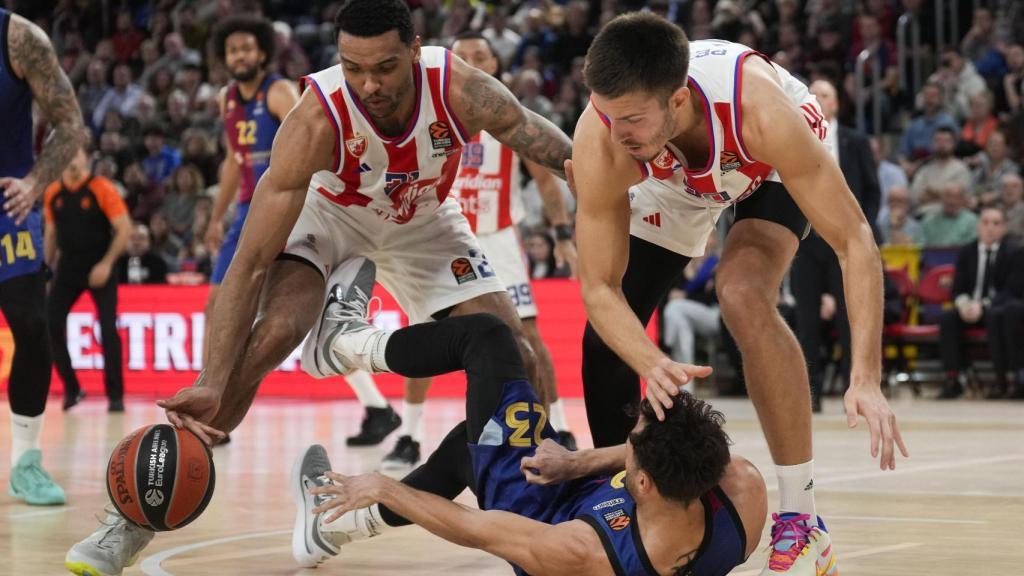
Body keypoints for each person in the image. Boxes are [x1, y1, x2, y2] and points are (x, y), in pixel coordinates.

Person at [66, 2, 572, 573]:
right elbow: (249, 263)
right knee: (273, 335)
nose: (369, 84)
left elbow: (539, 139)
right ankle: (132, 521)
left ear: (415, 50)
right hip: (331, 215)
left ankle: (348, 520)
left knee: (521, 360)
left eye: (384, 67)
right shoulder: (314, 119)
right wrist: (211, 378)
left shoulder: (456, 85)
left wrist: (598, 173)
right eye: (353, 67)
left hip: (423, 219)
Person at [571, 14, 906, 575]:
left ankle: (802, 520)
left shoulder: (762, 111)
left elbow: (854, 242)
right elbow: (599, 288)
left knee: (741, 292)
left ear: (677, 101)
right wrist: (650, 360)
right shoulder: (605, 137)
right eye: (606, 114)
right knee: (607, 347)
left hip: (760, 162)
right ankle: (627, 504)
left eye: (628, 117)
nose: (615, 130)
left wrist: (865, 376)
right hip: (673, 177)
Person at [291, 266, 768, 574]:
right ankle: (330, 529)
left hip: (528, 506)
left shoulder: (585, 553)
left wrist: (382, 485)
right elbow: (662, 455)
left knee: (489, 338)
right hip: (574, 494)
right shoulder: (741, 491)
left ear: (641, 483)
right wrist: (578, 464)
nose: (627, 444)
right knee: (466, 446)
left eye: (633, 444)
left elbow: (473, 527)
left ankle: (342, 343)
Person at [381, 31, 579, 471]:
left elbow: (546, 179)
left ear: (492, 66)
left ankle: (559, 426)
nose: (470, 61)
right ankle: (411, 434)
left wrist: (562, 233)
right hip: (440, 238)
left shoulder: (507, 117)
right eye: (461, 56)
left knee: (527, 336)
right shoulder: (428, 113)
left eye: (479, 56)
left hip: (497, 237)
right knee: (423, 334)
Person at [0, 7, 86, 506]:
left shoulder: (19, 38)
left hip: (10, 201)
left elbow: (70, 123)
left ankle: (26, 462)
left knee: (31, 324)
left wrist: (35, 183)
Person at [793, 78, 881, 412]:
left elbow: (872, 191)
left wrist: (863, 232)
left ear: (835, 104)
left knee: (849, 318)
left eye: (824, 94)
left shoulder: (855, 142)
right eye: (811, 93)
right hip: (806, 241)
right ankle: (809, 395)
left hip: (844, 238)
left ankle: (854, 391)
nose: (817, 98)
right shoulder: (795, 137)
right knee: (806, 321)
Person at [43, 147, 132, 412]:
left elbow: (124, 228)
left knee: (107, 328)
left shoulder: (100, 187)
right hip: (68, 267)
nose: (72, 159)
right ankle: (72, 388)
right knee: (50, 322)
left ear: (86, 158)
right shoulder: (52, 193)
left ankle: (115, 396)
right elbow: (51, 235)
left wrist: (106, 264)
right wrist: (47, 271)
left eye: (77, 154)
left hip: (99, 265)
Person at [938, 208, 1020, 399]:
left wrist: (982, 305)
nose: (990, 228)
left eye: (996, 223)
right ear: (978, 226)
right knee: (948, 318)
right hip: (970, 309)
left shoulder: (1014, 252)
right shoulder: (966, 251)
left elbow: (1012, 290)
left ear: (1004, 227)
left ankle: (1003, 380)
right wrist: (965, 304)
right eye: (985, 222)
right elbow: (957, 289)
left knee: (998, 314)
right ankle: (954, 379)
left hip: (996, 309)